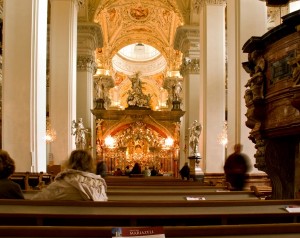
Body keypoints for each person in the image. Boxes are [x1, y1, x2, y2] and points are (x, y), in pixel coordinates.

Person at [31, 149, 108, 201]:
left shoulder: (60, 183)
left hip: (61, 224)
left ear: (70, 162)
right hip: (93, 223)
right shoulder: (99, 185)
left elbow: (37, 200)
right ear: (90, 164)